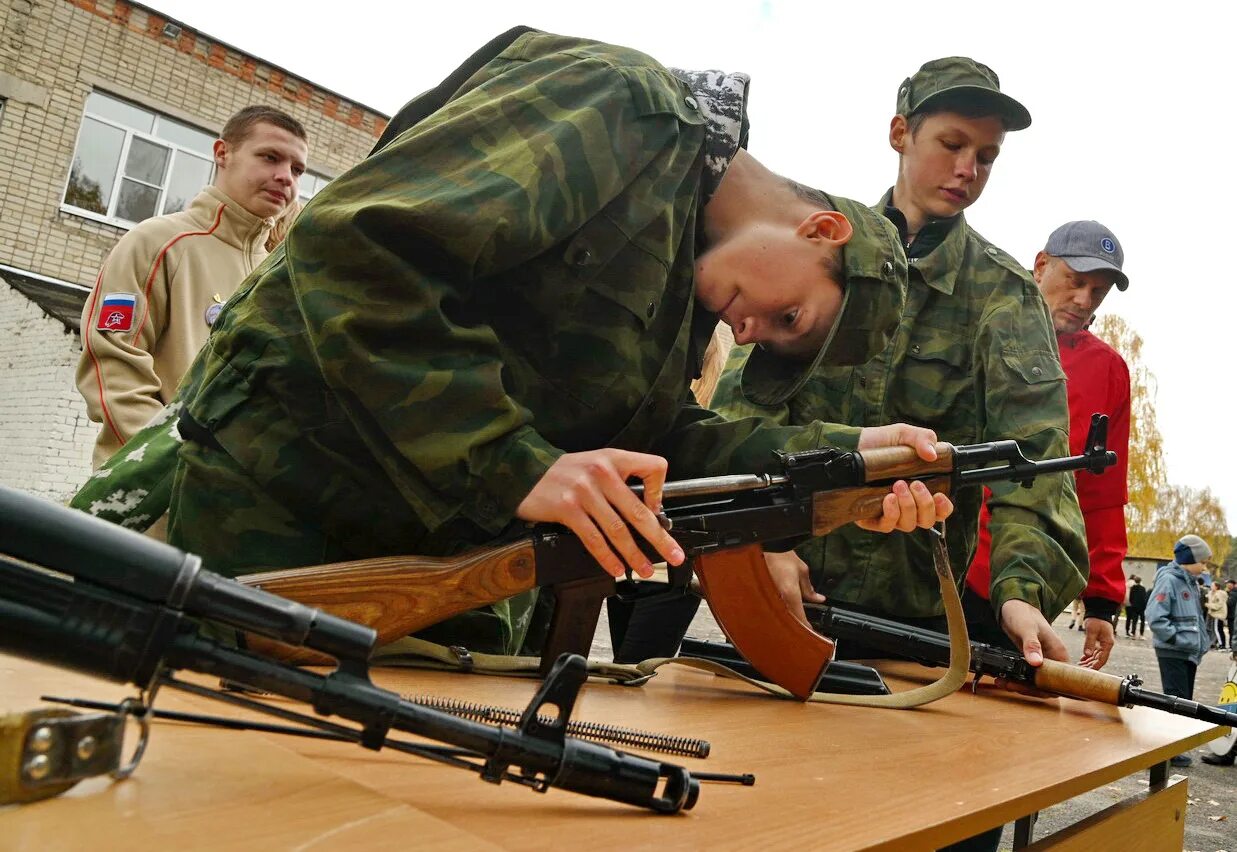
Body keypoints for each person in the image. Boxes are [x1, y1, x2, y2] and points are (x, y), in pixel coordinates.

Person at [163, 29, 951, 656]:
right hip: (290, 498)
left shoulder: (688, 276)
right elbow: (360, 246)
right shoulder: (622, 105)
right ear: (820, 230)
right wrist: (516, 462)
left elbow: (650, 441)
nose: (750, 334)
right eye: (791, 319)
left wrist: (844, 460)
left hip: (429, 557)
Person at [712, 56, 1088, 668]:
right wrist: (762, 541)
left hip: (914, 621)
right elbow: (736, 415)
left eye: (987, 155)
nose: (968, 169)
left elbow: (1035, 464)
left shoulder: (1005, 296)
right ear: (899, 134)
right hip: (786, 594)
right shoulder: (822, 245)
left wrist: (1021, 594)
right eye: (952, 143)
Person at [76, 105, 309, 469]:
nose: (285, 177)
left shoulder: (279, 272)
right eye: (270, 157)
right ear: (223, 153)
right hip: (149, 498)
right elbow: (113, 367)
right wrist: (169, 465)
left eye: (297, 169)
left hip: (235, 505)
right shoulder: (157, 242)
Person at [967, 221, 1131, 668]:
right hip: (932, 559)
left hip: (1023, 586)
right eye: (1075, 281)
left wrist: (1101, 604)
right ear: (1040, 265)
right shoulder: (972, 327)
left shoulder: (1109, 370)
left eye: (1098, 291)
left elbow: (1102, 493)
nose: (1084, 300)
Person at [1147, 534, 1212, 767]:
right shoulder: (1170, 580)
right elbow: (1155, 616)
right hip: (1173, 651)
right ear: (1189, 558)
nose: (1205, 567)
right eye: (1203, 562)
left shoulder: (1190, 583)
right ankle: (1167, 750)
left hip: (1188, 653)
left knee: (1184, 700)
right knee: (1175, 701)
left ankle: (1174, 746)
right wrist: (1175, 638)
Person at [1207, 581, 1228, 650]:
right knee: (1219, 629)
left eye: (1212, 586)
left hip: (1218, 614)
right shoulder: (1218, 593)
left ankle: (1222, 645)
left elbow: (1218, 604)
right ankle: (1222, 644)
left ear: (1216, 587)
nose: (1211, 587)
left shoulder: (1219, 593)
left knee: (1217, 629)